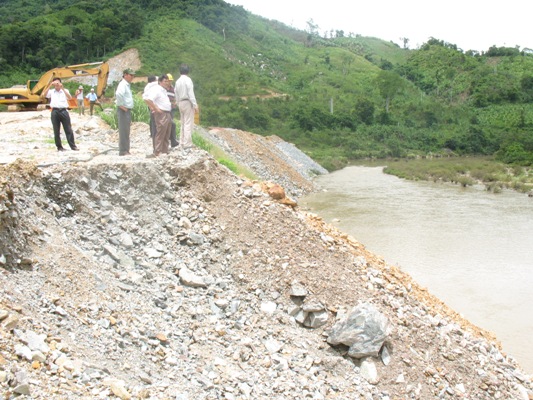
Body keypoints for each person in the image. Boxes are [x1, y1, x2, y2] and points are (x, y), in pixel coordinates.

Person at [43, 78, 79, 152]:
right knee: (56, 130)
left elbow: (69, 97)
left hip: (63, 110)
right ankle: (59, 147)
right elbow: (44, 94)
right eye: (55, 83)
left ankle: (73, 146)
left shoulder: (64, 91)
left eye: (58, 83)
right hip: (55, 111)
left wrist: (62, 87)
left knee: (68, 129)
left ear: (60, 83)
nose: (56, 85)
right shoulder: (52, 92)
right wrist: (50, 85)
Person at [144, 74, 173, 157]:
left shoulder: (164, 90)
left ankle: (165, 150)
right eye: (165, 81)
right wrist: (155, 108)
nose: (167, 83)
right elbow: (148, 99)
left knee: (167, 132)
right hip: (161, 113)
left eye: (168, 81)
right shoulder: (157, 89)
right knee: (161, 132)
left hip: (167, 112)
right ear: (160, 82)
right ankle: (157, 151)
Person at [174, 64, 198, 150]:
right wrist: (195, 105)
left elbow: (175, 92)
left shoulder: (177, 81)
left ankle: (181, 142)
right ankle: (187, 143)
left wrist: (177, 102)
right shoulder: (188, 80)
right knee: (188, 123)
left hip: (180, 102)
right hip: (187, 102)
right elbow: (191, 93)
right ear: (188, 71)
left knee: (183, 123)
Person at [115, 68, 135, 156]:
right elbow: (119, 94)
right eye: (131, 75)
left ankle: (126, 149)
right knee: (124, 130)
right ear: (125, 74)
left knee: (126, 130)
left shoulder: (126, 85)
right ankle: (123, 151)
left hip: (126, 110)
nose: (132, 77)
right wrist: (121, 105)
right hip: (123, 110)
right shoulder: (123, 84)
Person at [165, 73, 179, 149]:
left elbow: (175, 97)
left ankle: (172, 141)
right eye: (168, 81)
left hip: (171, 109)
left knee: (171, 124)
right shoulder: (163, 89)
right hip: (164, 110)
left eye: (170, 81)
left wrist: (175, 102)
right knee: (170, 124)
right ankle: (170, 141)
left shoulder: (172, 89)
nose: (169, 82)